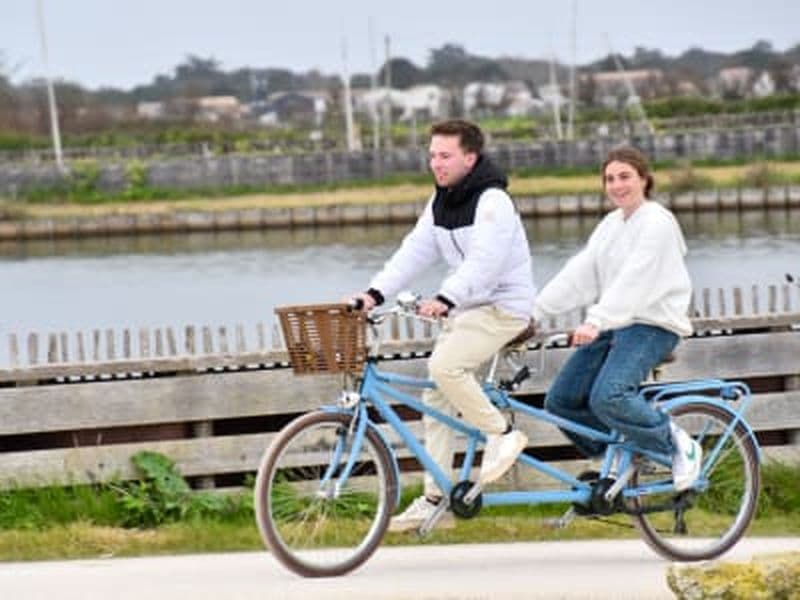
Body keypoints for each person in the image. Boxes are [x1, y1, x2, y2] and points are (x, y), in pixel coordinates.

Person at [353, 119, 536, 532]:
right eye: (432, 155)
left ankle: (502, 433)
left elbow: (485, 263)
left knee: (445, 368)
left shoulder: (493, 201)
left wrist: (447, 297)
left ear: (470, 158)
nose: (436, 163)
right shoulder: (441, 201)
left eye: (445, 156)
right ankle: (437, 498)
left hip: (504, 308)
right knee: (435, 397)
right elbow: (414, 252)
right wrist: (374, 294)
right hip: (468, 311)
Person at [532, 146, 701, 492]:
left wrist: (595, 320)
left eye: (625, 176)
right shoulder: (610, 225)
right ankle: (624, 454)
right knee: (561, 401)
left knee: (609, 396)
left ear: (644, 179)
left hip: (652, 325)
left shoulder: (657, 222)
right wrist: (533, 312)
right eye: (610, 179)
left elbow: (635, 280)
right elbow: (579, 274)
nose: (617, 185)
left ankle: (674, 442)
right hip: (615, 324)